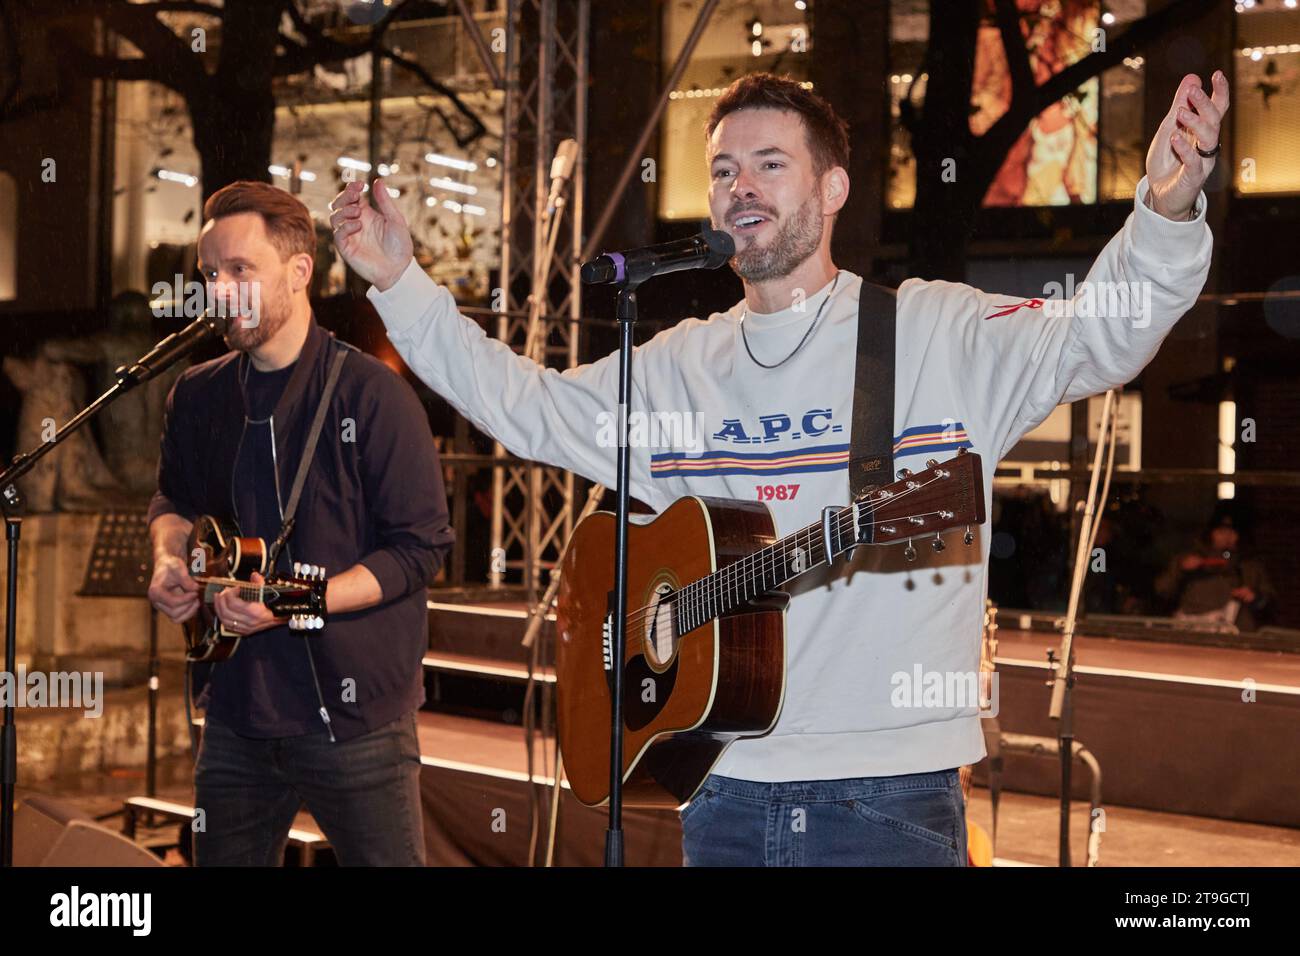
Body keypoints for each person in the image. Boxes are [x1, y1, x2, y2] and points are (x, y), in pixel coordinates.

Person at [330, 70, 1227, 866]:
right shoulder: (677, 362)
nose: (739, 186)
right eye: (722, 170)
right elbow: (522, 404)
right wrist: (400, 283)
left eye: (769, 163)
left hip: (884, 800)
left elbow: (1101, 332)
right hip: (717, 787)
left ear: (833, 187)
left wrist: (1166, 206)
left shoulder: (934, 332)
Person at [146, 181, 454, 866]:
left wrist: (294, 602)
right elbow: (172, 502)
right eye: (210, 275)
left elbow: (419, 549)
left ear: (299, 270)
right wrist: (170, 562)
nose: (220, 291)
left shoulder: (373, 395)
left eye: (240, 271)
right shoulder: (197, 395)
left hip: (356, 720)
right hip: (233, 712)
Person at [1156, 508, 1276, 630]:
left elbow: (1269, 605)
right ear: (1211, 533)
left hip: (1233, 630)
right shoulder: (1189, 558)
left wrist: (1255, 597)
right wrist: (1180, 569)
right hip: (1192, 627)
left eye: (1232, 532)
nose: (1227, 537)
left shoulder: (1250, 566)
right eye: (1222, 531)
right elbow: (1162, 590)